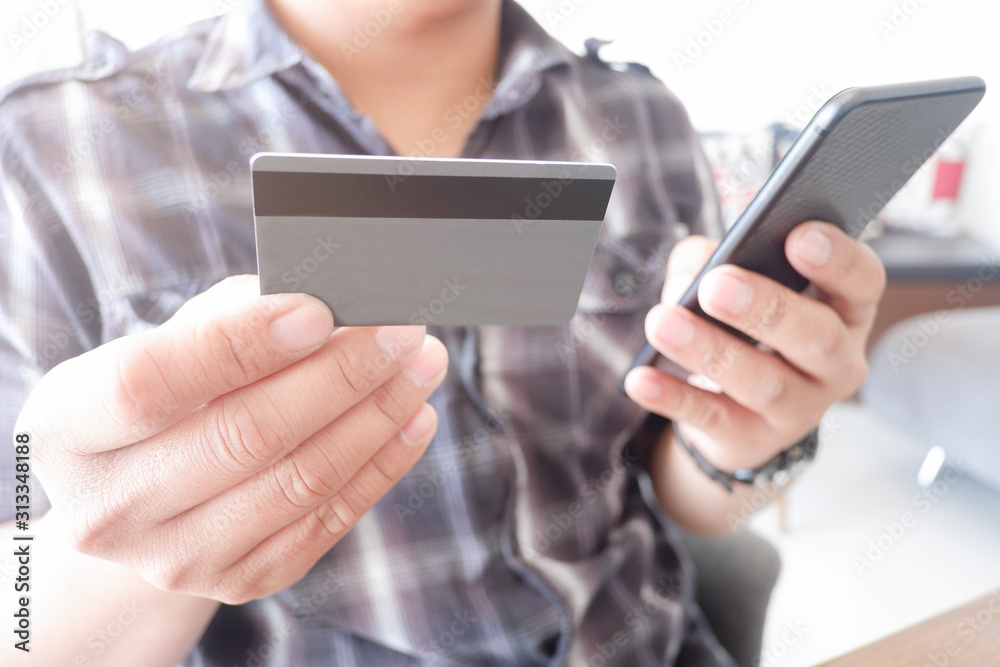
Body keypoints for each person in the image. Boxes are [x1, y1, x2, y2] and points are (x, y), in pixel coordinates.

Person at [0, 0, 885, 665]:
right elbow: (20, 613)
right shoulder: (49, 149)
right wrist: (144, 543)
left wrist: (745, 435)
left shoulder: (642, 120)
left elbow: (665, 478)